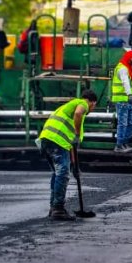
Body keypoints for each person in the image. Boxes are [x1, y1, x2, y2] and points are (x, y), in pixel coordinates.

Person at [37, 89, 99, 221]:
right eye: (94, 106)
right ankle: (58, 209)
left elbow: (71, 147)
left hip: (46, 140)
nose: (92, 109)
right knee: (62, 174)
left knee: (58, 173)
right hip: (56, 141)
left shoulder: (68, 108)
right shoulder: (82, 103)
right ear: (92, 102)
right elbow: (78, 113)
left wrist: (75, 166)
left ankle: (54, 208)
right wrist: (77, 134)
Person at [111, 49, 132, 153]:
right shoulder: (122, 69)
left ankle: (124, 143)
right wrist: (130, 95)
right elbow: (125, 82)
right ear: (128, 59)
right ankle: (119, 146)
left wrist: (131, 99)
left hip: (127, 101)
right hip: (122, 100)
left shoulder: (127, 68)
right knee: (123, 123)